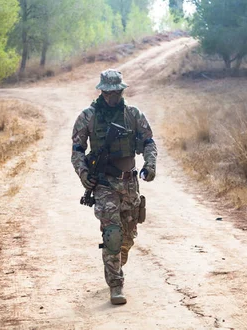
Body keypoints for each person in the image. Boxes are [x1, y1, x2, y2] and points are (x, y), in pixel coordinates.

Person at [71, 69, 157, 305]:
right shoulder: (88, 117)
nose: (112, 96)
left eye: (116, 92)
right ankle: (116, 286)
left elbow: (149, 142)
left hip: (129, 182)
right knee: (112, 235)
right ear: (101, 91)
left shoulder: (133, 114)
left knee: (127, 237)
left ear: (121, 90)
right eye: (107, 92)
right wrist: (84, 173)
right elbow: (77, 150)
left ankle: (119, 256)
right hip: (105, 184)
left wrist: (150, 165)